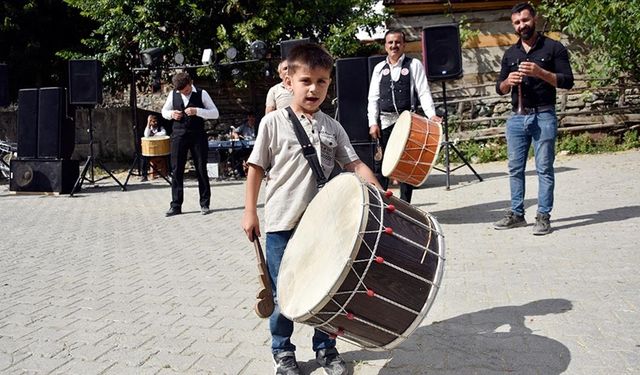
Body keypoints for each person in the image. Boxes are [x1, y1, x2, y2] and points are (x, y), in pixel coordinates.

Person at [242, 43, 381, 375]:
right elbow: (256, 168)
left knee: (328, 289)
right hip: (281, 224)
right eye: (306, 80)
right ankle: (282, 352)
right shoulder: (272, 123)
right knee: (282, 294)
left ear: (329, 84)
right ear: (288, 81)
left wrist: (378, 190)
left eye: (321, 81)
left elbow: (355, 164)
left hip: (323, 226)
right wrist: (250, 212)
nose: (314, 88)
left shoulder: (333, 127)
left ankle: (326, 348)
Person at [493, 2, 574, 235]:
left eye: (525, 20)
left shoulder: (553, 47)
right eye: (517, 23)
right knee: (515, 169)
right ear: (513, 25)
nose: (522, 26)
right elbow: (500, 88)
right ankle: (517, 214)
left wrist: (541, 73)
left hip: (544, 114)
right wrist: (509, 82)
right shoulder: (510, 53)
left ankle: (543, 216)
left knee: (544, 169)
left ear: (534, 19)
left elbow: (567, 81)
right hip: (517, 118)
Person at [367, 29, 441, 203]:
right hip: (385, 121)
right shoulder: (379, 68)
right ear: (385, 46)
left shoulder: (413, 64)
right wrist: (373, 122)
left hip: (408, 121)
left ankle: (405, 205)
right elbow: (373, 98)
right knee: (383, 165)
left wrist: (431, 115)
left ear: (404, 45)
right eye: (390, 42)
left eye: (397, 42)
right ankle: (382, 204)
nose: (394, 46)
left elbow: (423, 92)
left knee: (406, 165)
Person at [162, 71, 219, 216]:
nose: (185, 93)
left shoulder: (202, 93)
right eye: (182, 92)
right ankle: (175, 205)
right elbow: (164, 111)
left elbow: (215, 113)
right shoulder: (173, 94)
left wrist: (197, 111)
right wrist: (171, 114)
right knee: (177, 170)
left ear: (190, 83)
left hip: (197, 135)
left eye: (187, 90)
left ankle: (205, 204)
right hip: (178, 135)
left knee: (201, 169)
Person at [141, 114, 166, 182]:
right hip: (151, 150)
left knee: (168, 156)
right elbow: (146, 135)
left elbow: (164, 133)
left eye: (156, 121)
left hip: (160, 150)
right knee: (143, 158)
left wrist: (154, 135)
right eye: (153, 121)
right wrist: (148, 124)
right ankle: (144, 175)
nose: (155, 123)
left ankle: (169, 173)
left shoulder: (160, 127)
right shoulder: (148, 128)